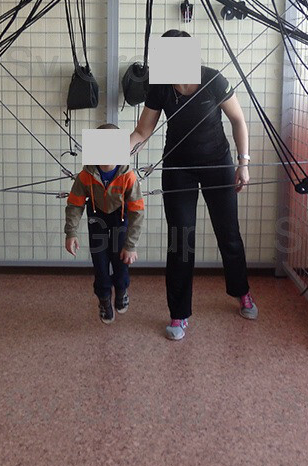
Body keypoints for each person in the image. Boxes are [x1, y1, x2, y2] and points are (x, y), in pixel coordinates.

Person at [129, 29, 257, 340]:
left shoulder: (213, 79)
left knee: (229, 234)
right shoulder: (160, 86)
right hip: (178, 168)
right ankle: (179, 314)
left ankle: (241, 291)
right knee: (180, 240)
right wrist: (104, 155)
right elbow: (142, 132)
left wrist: (243, 163)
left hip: (218, 164)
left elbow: (238, 120)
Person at [64, 123, 144, 323]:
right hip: (97, 219)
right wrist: (71, 232)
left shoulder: (128, 177)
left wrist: (131, 245)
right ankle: (104, 298)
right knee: (100, 264)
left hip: (120, 219)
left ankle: (122, 289)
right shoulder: (85, 176)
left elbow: (137, 212)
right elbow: (74, 204)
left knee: (121, 260)